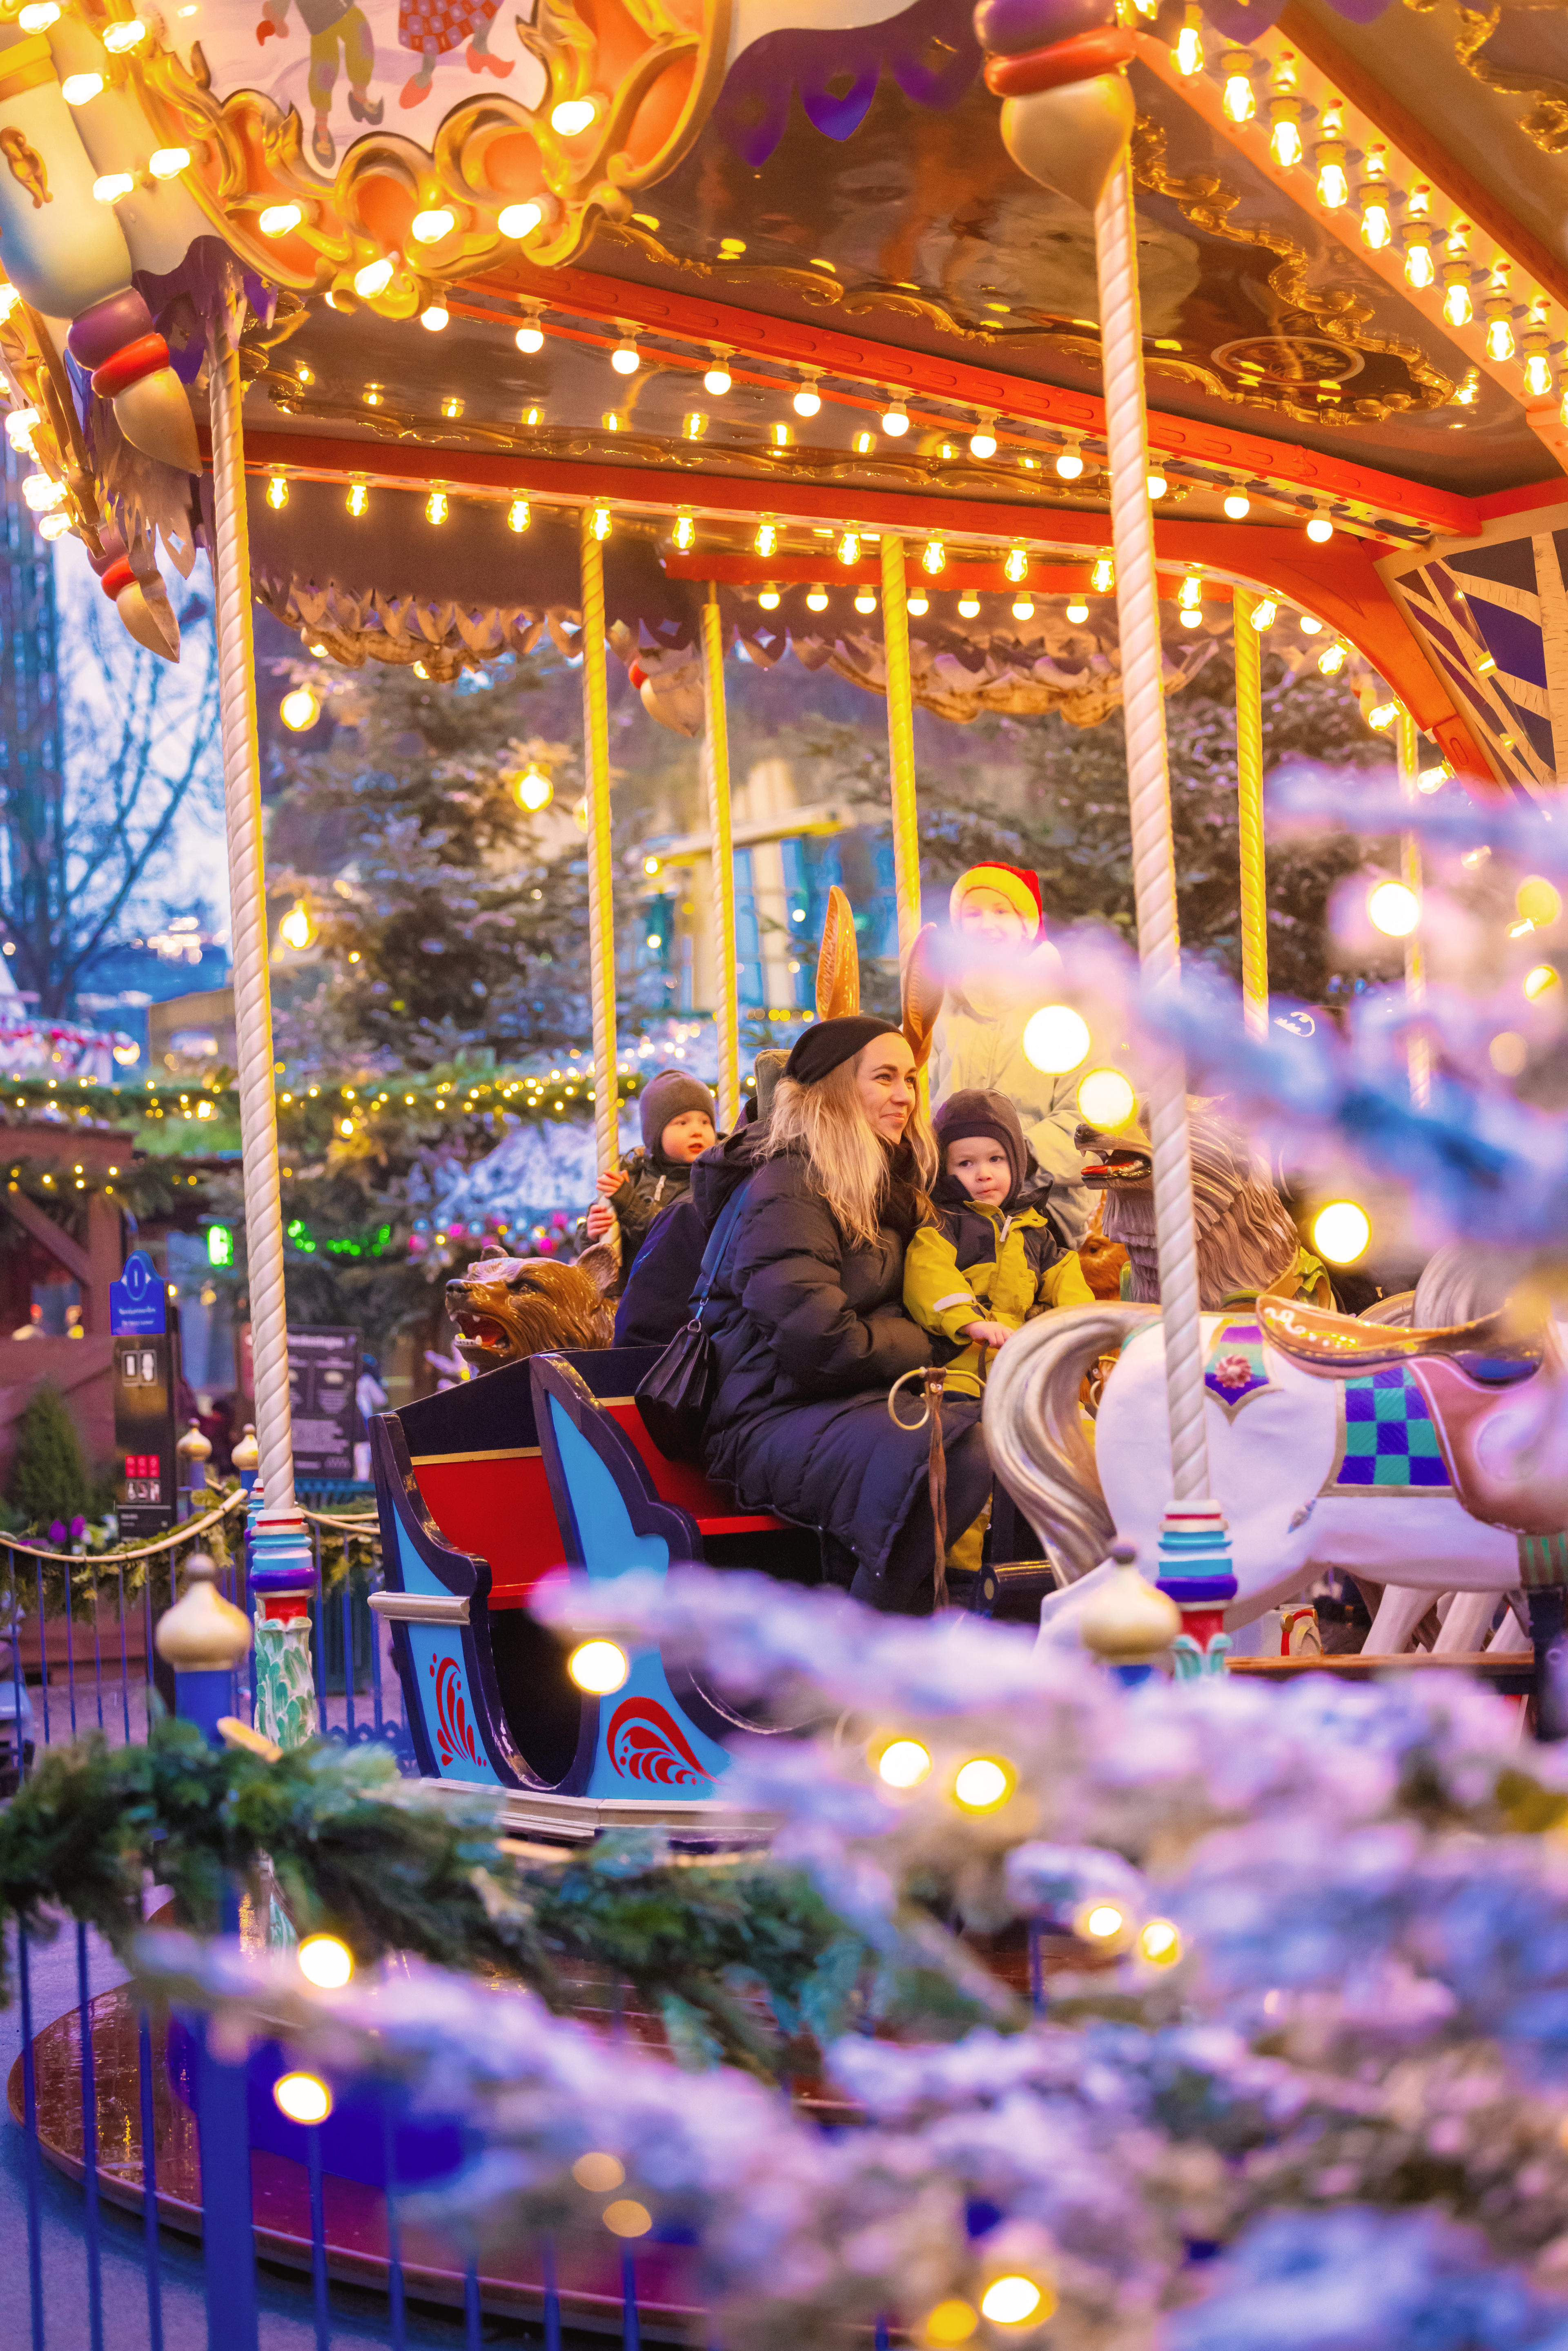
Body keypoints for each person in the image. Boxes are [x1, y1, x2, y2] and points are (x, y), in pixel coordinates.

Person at [691, 1014, 991, 1616]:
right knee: (961, 1445)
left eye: (908, 1078)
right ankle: (863, 1641)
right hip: (766, 1414)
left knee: (1010, 1427)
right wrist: (926, 1343)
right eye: (884, 1078)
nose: (905, 1096)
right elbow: (819, 1342)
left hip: (839, 1402)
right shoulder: (790, 1183)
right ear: (833, 1088)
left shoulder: (879, 1188)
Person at [928, 861, 1094, 1245]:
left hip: (1040, 1197)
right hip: (953, 1193)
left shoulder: (1064, 1007)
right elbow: (921, 1089)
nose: (987, 924)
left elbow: (1086, 1108)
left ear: (1027, 923)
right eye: (973, 913)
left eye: (1001, 911)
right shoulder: (942, 1007)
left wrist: (1021, 1159)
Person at [904, 1090, 1092, 1397]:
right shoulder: (943, 1222)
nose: (984, 1174)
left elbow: (1063, 1275)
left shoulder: (1032, 1227)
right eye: (966, 1163)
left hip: (1019, 1368)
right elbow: (928, 1273)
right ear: (945, 1170)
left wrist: (1084, 1324)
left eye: (996, 1159)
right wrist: (970, 1322)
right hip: (959, 1370)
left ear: (1016, 1162)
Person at [586, 1069, 717, 1290]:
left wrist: (629, 1204)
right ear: (655, 1134)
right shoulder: (634, 1175)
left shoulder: (710, 1181)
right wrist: (592, 1234)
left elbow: (674, 1237)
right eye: (682, 1123)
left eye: (705, 1122)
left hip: (683, 1294)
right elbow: (600, 1251)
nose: (697, 1131)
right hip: (633, 1293)